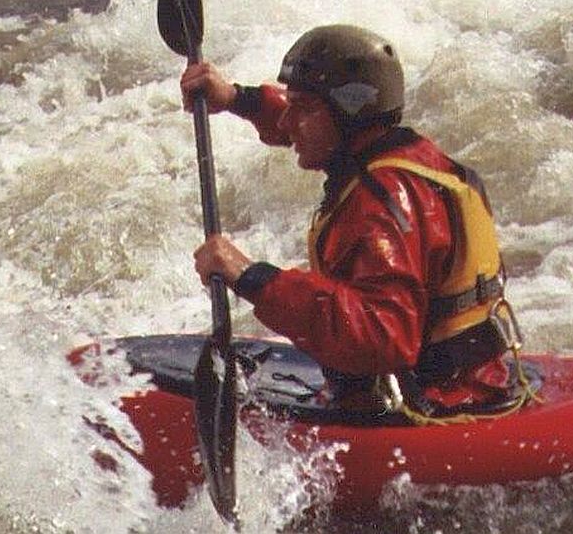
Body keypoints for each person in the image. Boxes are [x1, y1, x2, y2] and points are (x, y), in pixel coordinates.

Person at [181, 24, 525, 419]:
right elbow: (305, 123)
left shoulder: (379, 205)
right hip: (478, 379)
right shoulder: (402, 152)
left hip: (431, 405)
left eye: (304, 108)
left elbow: (384, 338)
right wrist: (237, 98)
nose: (289, 121)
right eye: (291, 104)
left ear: (350, 115)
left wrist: (251, 276)